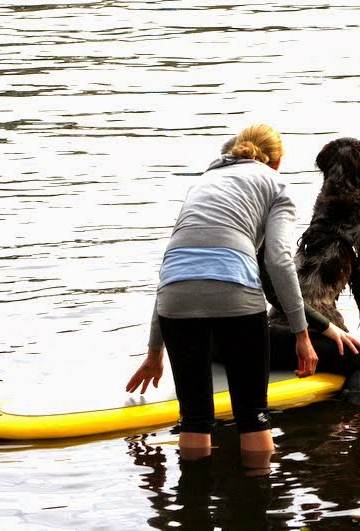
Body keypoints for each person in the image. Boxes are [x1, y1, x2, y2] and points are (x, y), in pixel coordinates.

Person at [126, 124, 320, 462]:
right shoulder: (276, 185)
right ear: (275, 163)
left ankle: (191, 506)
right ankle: (256, 504)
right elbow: (278, 259)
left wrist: (155, 352)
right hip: (236, 292)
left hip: (174, 297)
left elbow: (174, 270)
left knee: (195, 419)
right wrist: (302, 333)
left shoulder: (202, 184)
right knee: (252, 415)